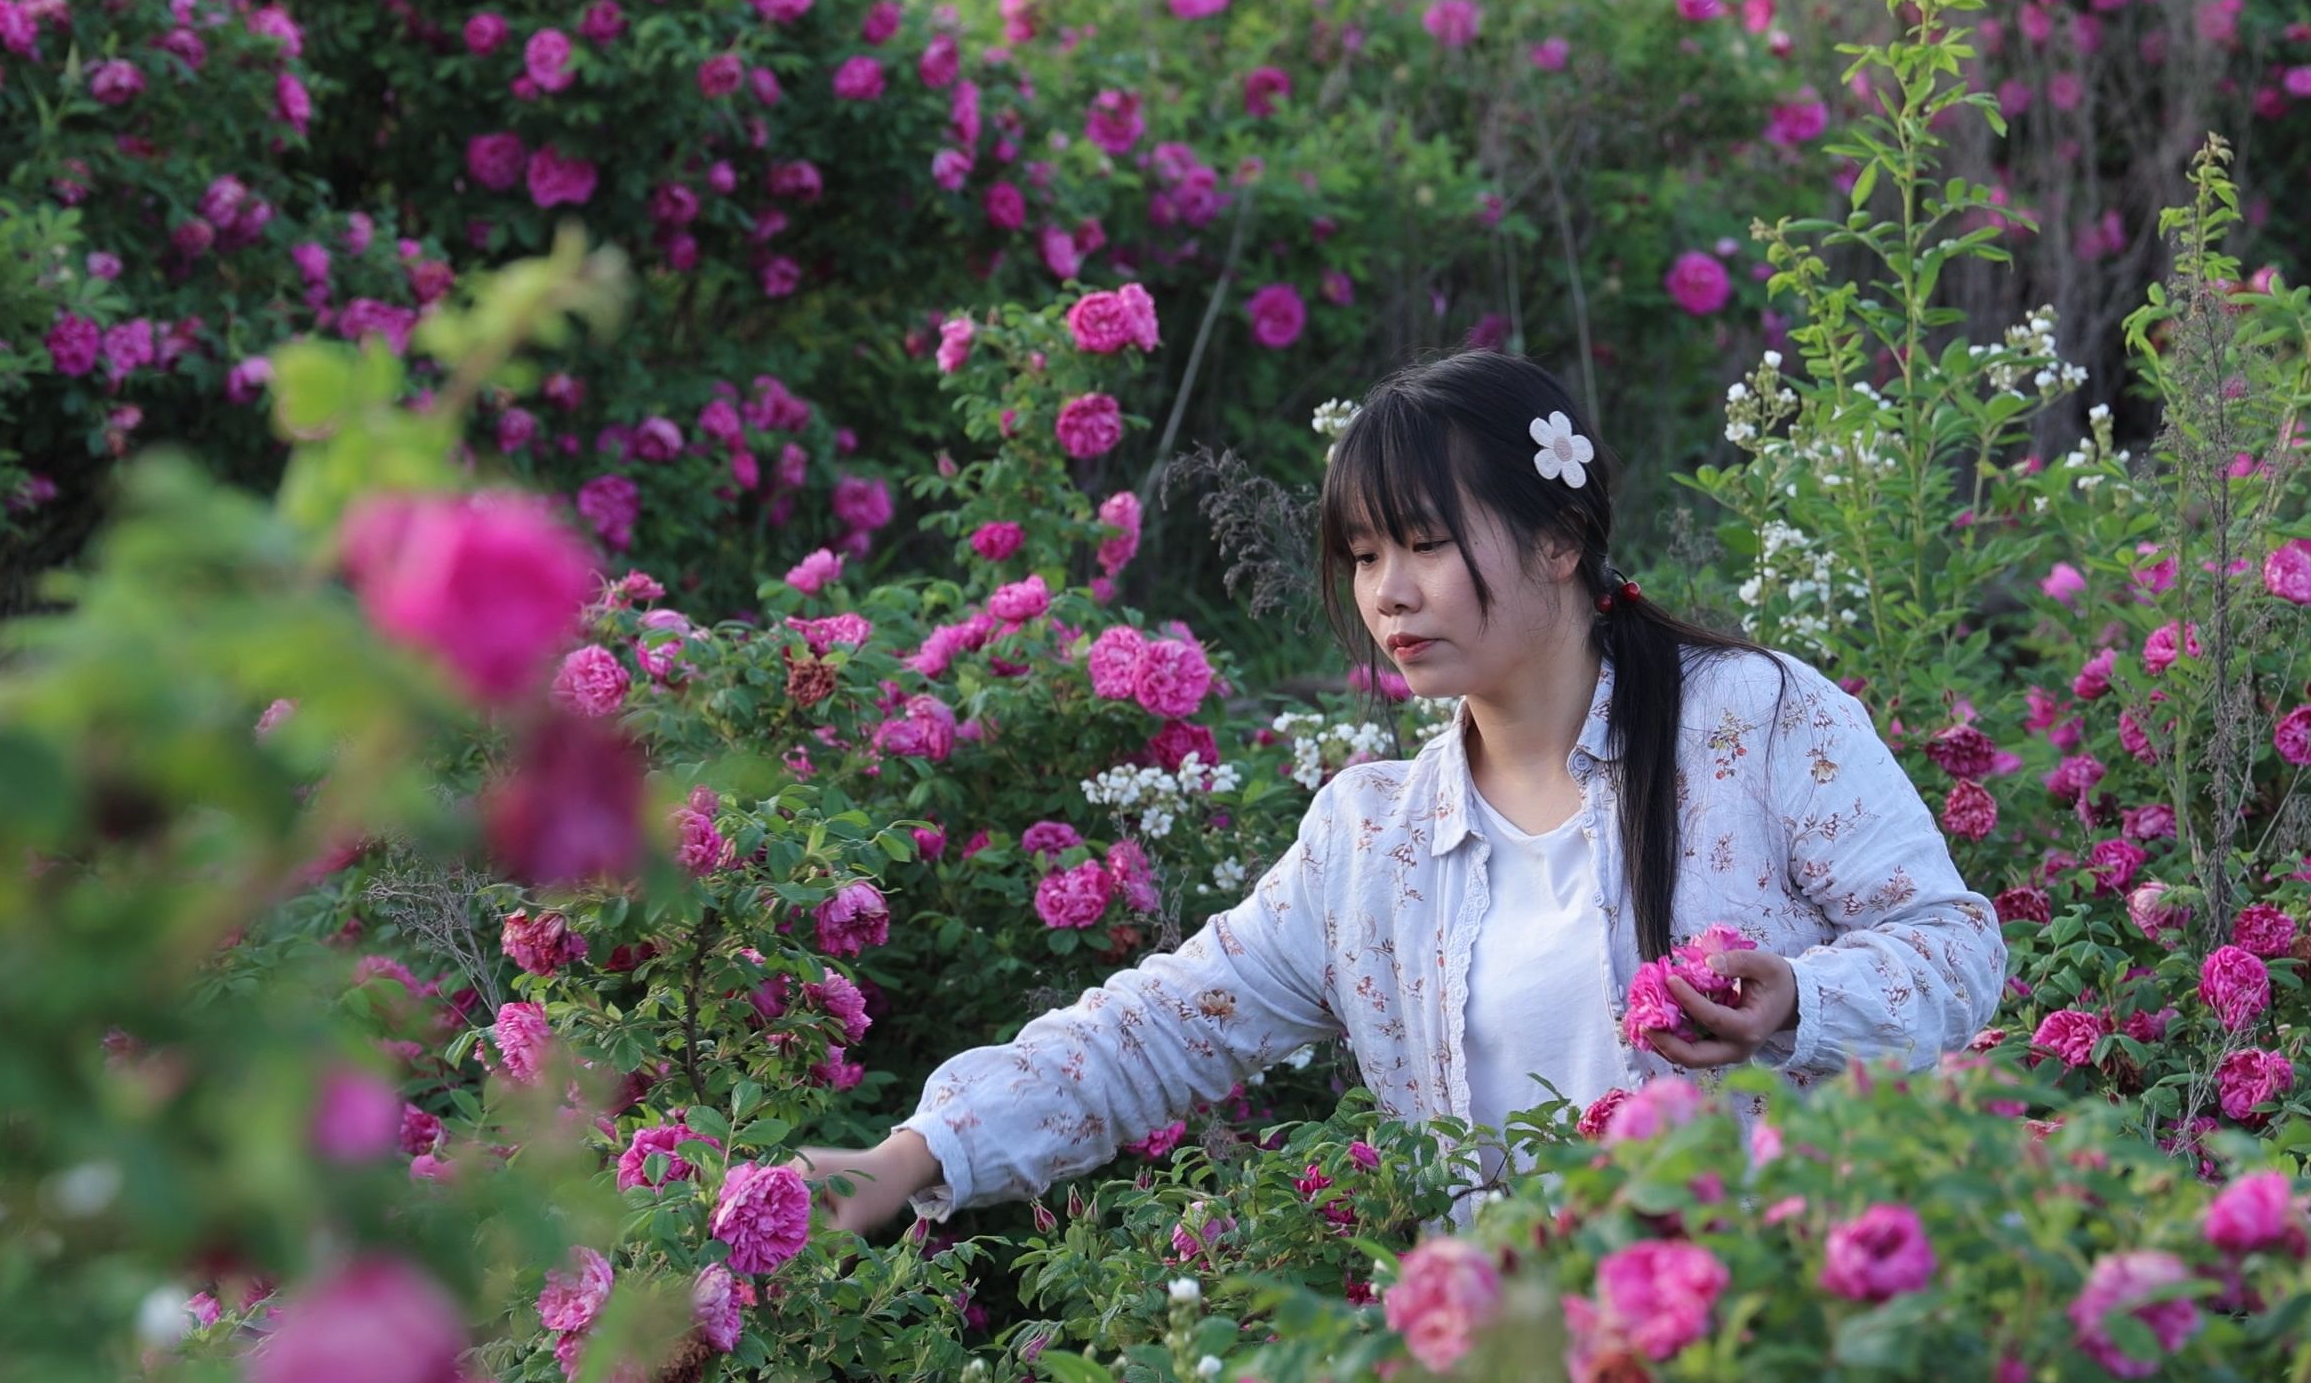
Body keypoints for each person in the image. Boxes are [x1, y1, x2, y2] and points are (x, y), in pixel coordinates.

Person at [794, 351, 2004, 1234]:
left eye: (1424, 542)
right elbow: (1156, 1027)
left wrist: (1800, 997)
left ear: (1559, 539)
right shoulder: (1373, 840)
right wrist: (910, 1157)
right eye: (1365, 555)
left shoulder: (1756, 718)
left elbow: (1955, 951)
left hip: (1775, 1359)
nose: (1388, 594)